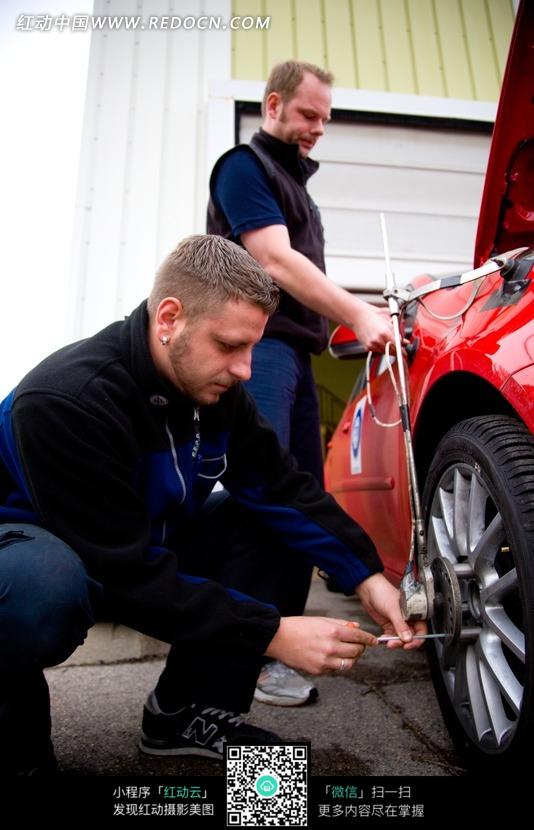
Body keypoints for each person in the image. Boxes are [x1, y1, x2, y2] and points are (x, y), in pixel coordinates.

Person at [0, 235, 424, 775]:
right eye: (229, 346)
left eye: (252, 348)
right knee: (41, 587)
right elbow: (121, 568)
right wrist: (270, 632)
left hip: (129, 551)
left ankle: (186, 712)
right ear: (169, 318)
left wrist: (365, 574)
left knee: (272, 525)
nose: (246, 369)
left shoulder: (214, 391)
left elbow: (282, 488)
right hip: (36, 553)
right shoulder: (66, 401)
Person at [207, 60, 396, 705]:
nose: (318, 128)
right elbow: (271, 260)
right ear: (273, 105)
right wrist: (358, 312)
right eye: (309, 114)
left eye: (326, 119)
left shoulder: (299, 191)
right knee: (264, 491)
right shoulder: (244, 168)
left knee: (299, 494)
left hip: (294, 352)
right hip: (261, 350)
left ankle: (263, 659)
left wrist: (364, 574)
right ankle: (238, 666)